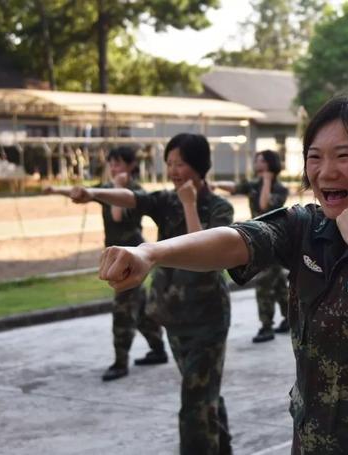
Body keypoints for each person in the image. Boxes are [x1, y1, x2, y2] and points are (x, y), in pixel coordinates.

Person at [99, 96, 348, 454]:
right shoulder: (305, 226)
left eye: (344, 155)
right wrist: (150, 253)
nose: (326, 171)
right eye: (315, 156)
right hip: (309, 443)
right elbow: (236, 239)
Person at [72, 133, 234, 455]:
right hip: (173, 314)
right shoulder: (165, 200)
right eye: (169, 164)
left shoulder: (219, 208)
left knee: (194, 402)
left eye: (181, 164)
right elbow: (132, 198)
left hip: (207, 318)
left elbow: (206, 250)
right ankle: (223, 447)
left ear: (199, 167)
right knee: (202, 393)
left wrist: (189, 204)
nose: (174, 170)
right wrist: (93, 193)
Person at [44, 146, 167, 381]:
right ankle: (158, 349)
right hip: (117, 257)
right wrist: (56, 190)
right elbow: (83, 192)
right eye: (111, 163)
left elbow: (118, 215)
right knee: (139, 310)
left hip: (131, 259)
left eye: (118, 163)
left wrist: (119, 186)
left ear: (131, 165)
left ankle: (120, 362)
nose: (113, 168)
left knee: (123, 311)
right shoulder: (110, 188)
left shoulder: (134, 192)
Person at [212, 150, 290, 342]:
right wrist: (215, 184)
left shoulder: (280, 189)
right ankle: (289, 318)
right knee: (279, 284)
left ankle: (266, 327)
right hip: (258, 237)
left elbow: (265, 205)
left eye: (260, 160)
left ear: (270, 164)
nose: (256, 163)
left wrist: (267, 181)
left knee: (264, 284)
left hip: (276, 239)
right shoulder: (253, 184)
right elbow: (235, 187)